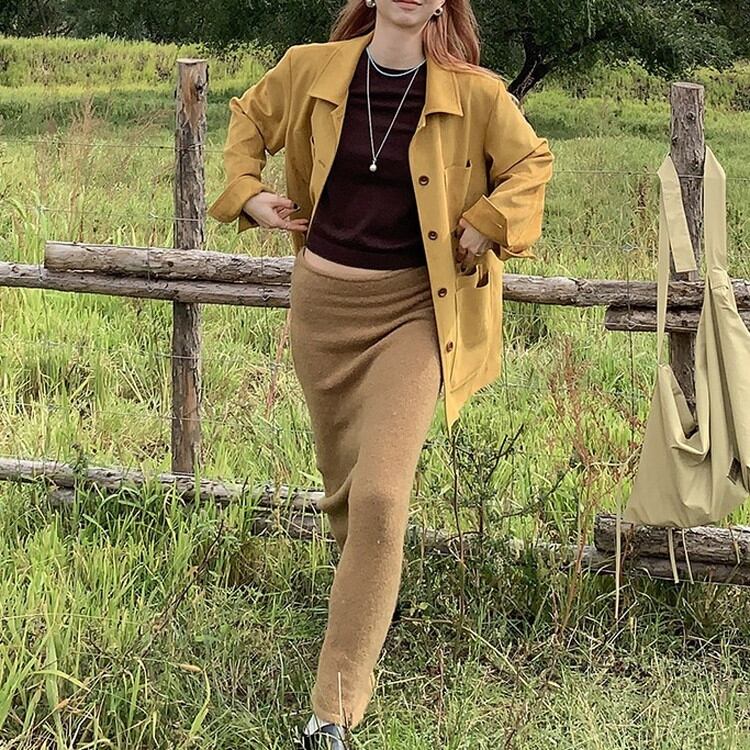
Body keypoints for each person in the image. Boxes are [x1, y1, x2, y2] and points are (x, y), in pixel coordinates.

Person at [208, 1, 554, 747]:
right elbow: (247, 117)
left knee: (380, 497)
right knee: (347, 496)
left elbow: (532, 162)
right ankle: (367, 596)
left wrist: (489, 219)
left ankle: (331, 713)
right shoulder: (310, 68)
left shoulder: (476, 92)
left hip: (415, 312)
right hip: (323, 311)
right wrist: (248, 193)